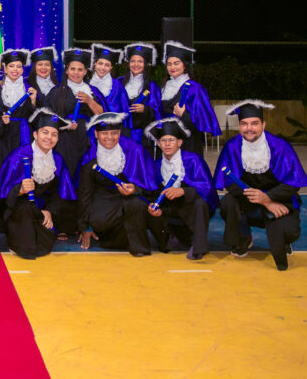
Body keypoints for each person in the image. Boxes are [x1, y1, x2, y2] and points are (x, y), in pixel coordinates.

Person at [215, 100, 307, 271]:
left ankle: (284, 240)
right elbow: (230, 183)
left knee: (289, 230)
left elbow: (292, 184)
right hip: (247, 200)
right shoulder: (233, 146)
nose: (249, 128)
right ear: (240, 126)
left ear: (263, 124)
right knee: (228, 202)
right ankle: (243, 238)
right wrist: (259, 199)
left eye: (254, 123)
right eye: (244, 124)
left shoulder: (280, 147)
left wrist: (268, 198)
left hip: (279, 200)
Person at [77, 112, 160, 257]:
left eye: (114, 133)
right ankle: (116, 240)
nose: (109, 137)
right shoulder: (89, 158)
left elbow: (148, 185)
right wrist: (85, 227)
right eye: (104, 133)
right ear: (96, 134)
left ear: (119, 133)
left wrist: (135, 189)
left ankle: (139, 247)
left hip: (128, 199)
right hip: (103, 202)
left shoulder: (134, 152)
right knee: (99, 220)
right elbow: (85, 196)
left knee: (137, 204)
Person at [0, 109, 75, 258]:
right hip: (19, 209)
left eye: (54, 134)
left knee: (44, 245)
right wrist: (20, 190)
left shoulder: (58, 160)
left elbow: (59, 194)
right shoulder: (18, 156)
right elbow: (3, 193)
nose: (49, 138)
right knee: (27, 246)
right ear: (35, 134)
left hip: (42, 209)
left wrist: (49, 211)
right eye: (45, 132)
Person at [144, 117, 218, 260]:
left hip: (190, 206)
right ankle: (171, 236)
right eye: (163, 140)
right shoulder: (156, 165)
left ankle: (199, 247)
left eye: (171, 140)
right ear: (158, 143)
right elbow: (151, 191)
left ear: (179, 142)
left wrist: (183, 191)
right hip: (169, 208)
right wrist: (154, 206)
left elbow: (208, 189)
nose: (167, 144)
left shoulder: (193, 160)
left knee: (200, 203)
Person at [46, 48, 109, 180]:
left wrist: (89, 100)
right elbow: (48, 117)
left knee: (86, 169)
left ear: (85, 72)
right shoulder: (56, 92)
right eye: (72, 69)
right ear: (67, 70)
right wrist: (64, 125)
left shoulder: (93, 91)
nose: (76, 73)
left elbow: (102, 114)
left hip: (87, 136)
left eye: (80, 70)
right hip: (64, 136)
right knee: (67, 169)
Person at [160, 41, 221, 157]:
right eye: (169, 64)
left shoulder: (195, 88)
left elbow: (203, 120)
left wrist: (184, 114)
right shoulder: (164, 88)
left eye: (176, 63)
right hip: (168, 142)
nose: (172, 67)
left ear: (184, 65)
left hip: (188, 142)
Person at [0, 49, 39, 168]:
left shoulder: (29, 90)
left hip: (23, 134)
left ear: (22, 70)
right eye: (11, 66)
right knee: (3, 167)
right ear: (5, 69)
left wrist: (33, 101)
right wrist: (2, 121)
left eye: (18, 66)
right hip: (3, 136)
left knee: (21, 168)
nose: (15, 69)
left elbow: (35, 119)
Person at [119, 42, 163, 146]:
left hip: (142, 136)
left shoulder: (152, 87)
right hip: (120, 133)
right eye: (133, 61)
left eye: (140, 61)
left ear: (145, 64)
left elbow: (158, 113)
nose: (136, 64)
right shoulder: (119, 82)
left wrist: (145, 109)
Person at [89, 44, 130, 118]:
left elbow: (124, 111)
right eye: (100, 63)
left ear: (111, 68)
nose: (103, 68)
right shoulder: (86, 84)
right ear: (95, 64)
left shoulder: (117, 86)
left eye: (107, 65)